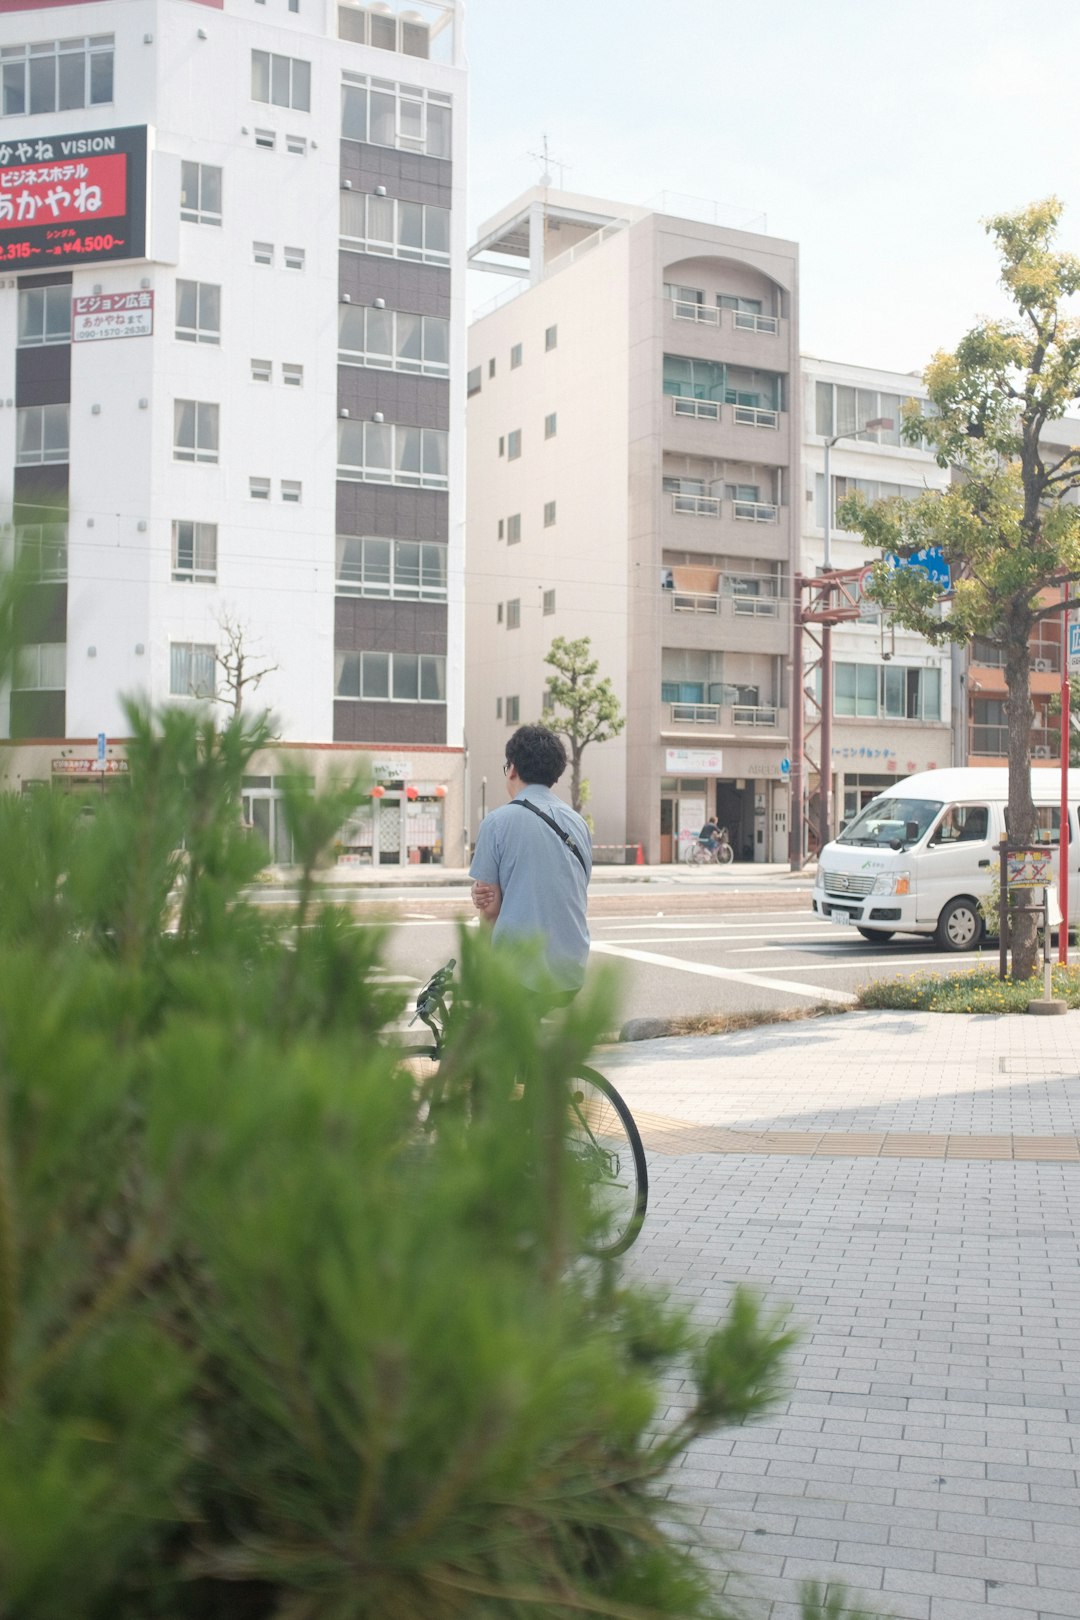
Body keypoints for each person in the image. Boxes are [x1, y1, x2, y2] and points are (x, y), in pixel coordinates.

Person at [470, 724, 591, 1001]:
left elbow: (490, 911)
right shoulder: (578, 823)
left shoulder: (497, 823)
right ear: (555, 774)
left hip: (520, 976)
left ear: (512, 769)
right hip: (571, 971)